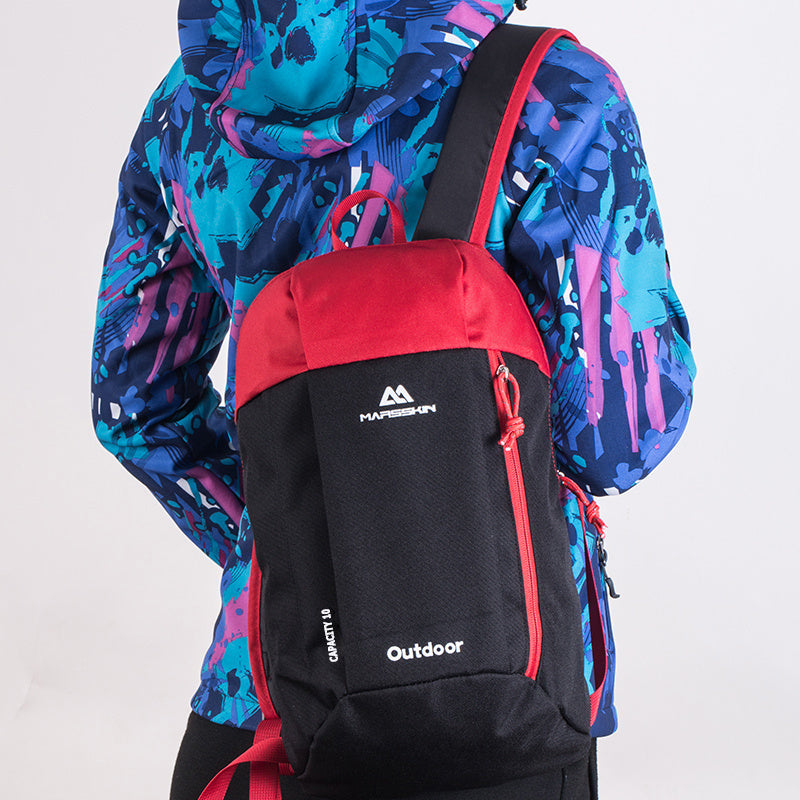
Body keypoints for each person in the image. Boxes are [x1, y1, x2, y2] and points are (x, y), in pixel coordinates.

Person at [92, 2, 696, 798]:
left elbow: (136, 403)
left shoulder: (193, 105)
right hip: (507, 686)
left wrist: (298, 537)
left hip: (272, 695)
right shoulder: (554, 96)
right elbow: (620, 437)